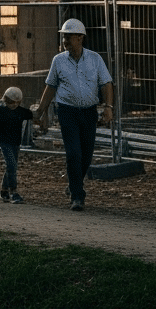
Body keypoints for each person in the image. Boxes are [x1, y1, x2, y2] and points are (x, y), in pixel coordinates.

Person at [35, 18, 113, 211]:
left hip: (88, 112)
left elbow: (106, 83)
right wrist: (41, 111)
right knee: (73, 153)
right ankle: (77, 196)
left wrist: (108, 106)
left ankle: (73, 184)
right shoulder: (58, 60)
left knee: (86, 154)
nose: (65, 41)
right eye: (64, 37)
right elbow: (51, 86)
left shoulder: (95, 59)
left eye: (68, 37)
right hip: (67, 111)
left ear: (80, 38)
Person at [0, 86, 35, 203]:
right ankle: (13, 192)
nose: (12, 104)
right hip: (5, 143)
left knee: (11, 166)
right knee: (12, 165)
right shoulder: (1, 110)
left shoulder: (20, 112)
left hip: (15, 143)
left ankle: (4, 191)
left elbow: (34, 115)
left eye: (14, 102)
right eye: (10, 101)